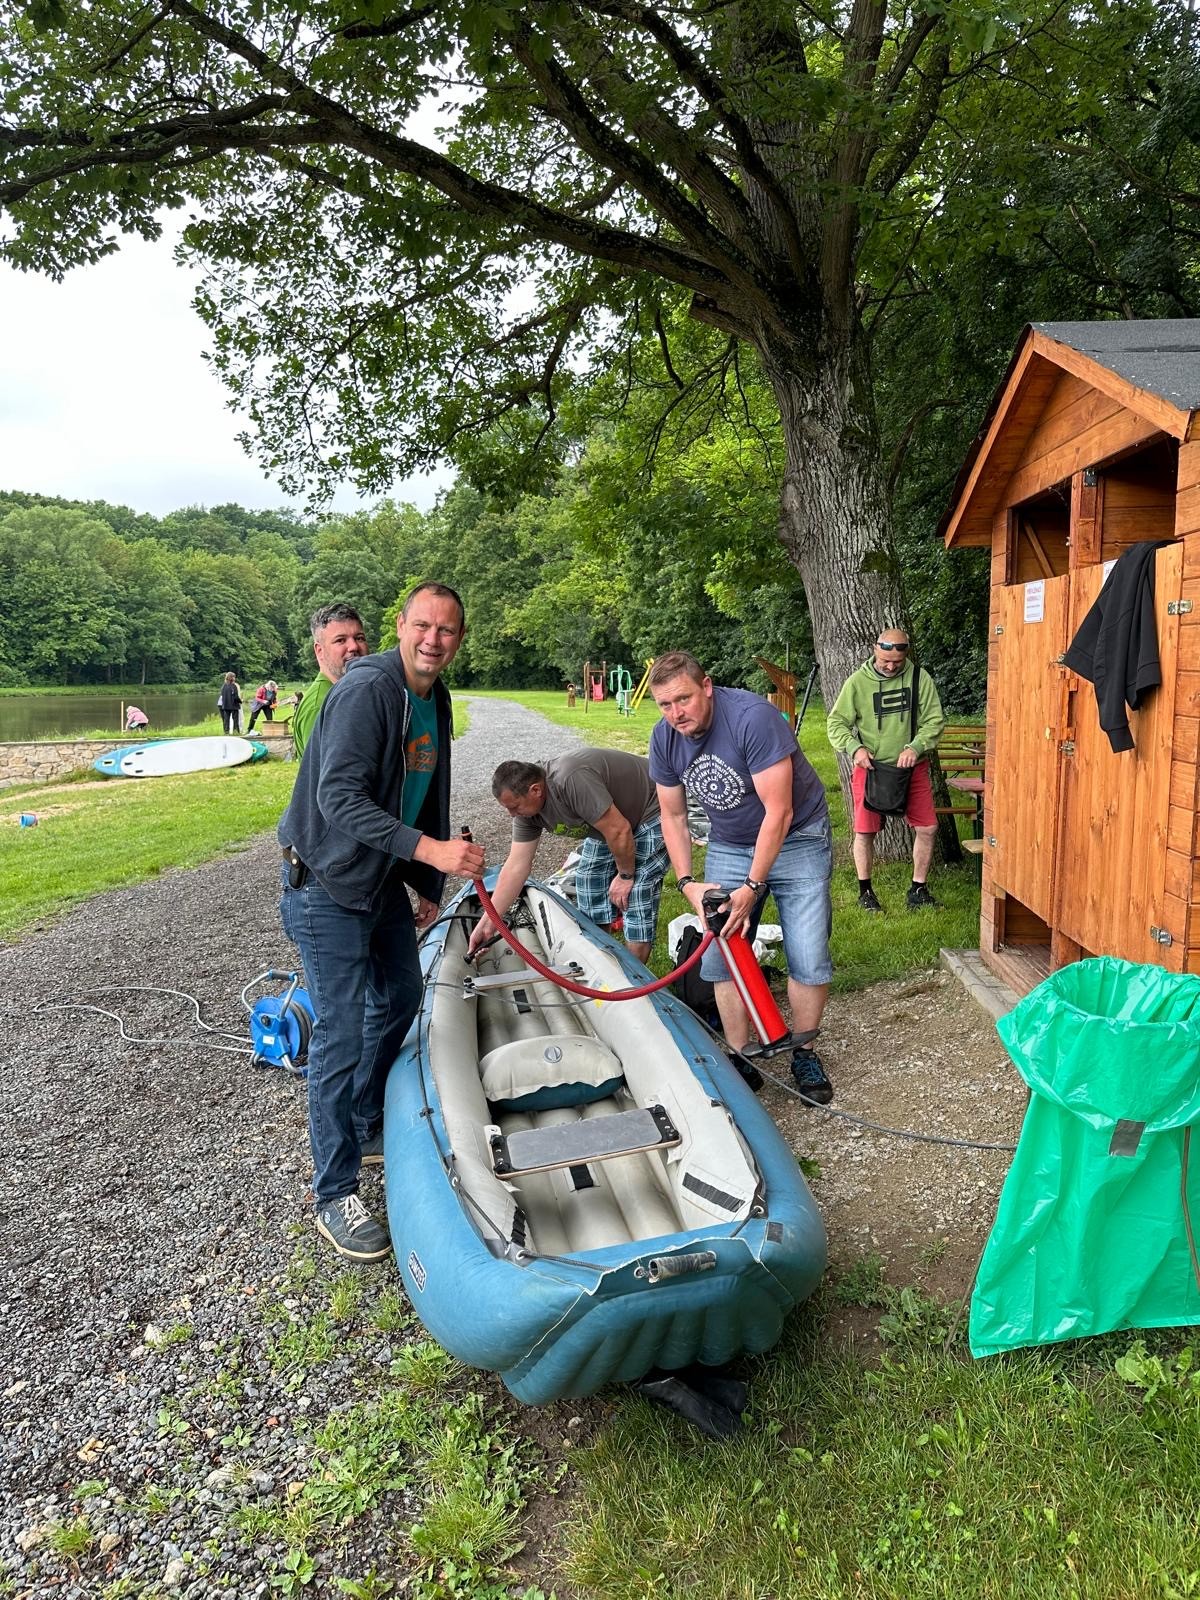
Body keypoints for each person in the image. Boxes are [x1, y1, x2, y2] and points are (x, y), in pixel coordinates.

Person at [277, 582, 484, 1262]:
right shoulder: (368, 690)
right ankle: (333, 1194)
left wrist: (425, 880)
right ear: (401, 626)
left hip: (379, 880)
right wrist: (430, 853)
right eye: (422, 625)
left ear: (459, 638)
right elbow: (337, 798)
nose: (433, 639)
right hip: (326, 883)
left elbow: (426, 790)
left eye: (446, 630)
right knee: (338, 1032)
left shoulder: (435, 697)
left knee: (400, 994)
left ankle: (364, 1121)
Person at [647, 651, 835, 1104]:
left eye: (684, 699)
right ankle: (741, 1056)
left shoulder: (753, 719)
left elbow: (779, 811)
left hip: (798, 836)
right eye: (665, 704)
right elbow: (672, 816)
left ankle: (804, 1053)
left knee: (808, 952)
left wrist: (752, 887)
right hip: (730, 843)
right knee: (723, 953)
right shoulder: (664, 738)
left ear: (707, 686)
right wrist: (687, 882)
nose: (676, 713)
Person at [467, 751, 669, 965]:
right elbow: (516, 866)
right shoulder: (527, 812)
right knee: (589, 881)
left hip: (653, 805)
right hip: (612, 822)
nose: (511, 814)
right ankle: (603, 963)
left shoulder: (570, 780)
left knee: (636, 893)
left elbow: (619, 830)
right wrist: (488, 923)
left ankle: (633, 978)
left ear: (535, 790)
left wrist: (625, 876)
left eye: (514, 807)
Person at [826, 628, 946, 913]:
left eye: (897, 662)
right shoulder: (857, 682)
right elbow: (836, 723)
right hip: (872, 769)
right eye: (885, 661)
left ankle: (918, 889)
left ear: (906, 655)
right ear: (874, 650)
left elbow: (934, 720)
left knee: (928, 828)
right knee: (864, 831)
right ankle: (865, 892)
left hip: (912, 768)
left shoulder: (919, 678)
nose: (891, 667)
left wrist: (916, 747)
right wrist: (855, 748)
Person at [291, 603, 370, 760]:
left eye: (359, 638)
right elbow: (324, 772)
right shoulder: (319, 707)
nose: (354, 646)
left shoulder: (351, 694)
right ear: (319, 651)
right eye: (341, 640)